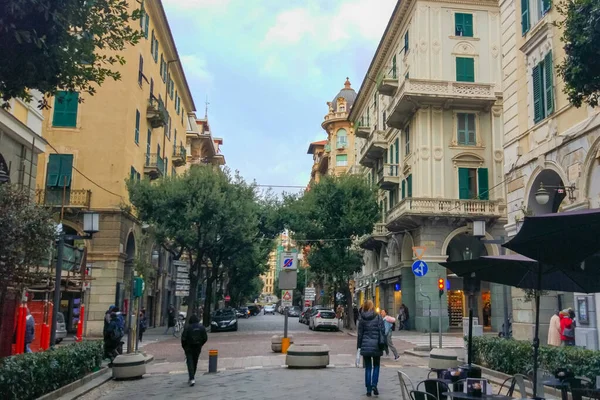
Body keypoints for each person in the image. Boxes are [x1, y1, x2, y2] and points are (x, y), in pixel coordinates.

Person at [357, 300, 385, 397]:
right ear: (372, 306)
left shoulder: (362, 318)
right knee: (376, 366)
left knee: (368, 367)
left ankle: (368, 390)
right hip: (376, 345)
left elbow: (360, 334)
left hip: (365, 346)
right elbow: (382, 331)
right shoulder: (378, 317)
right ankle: (374, 385)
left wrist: (359, 347)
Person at [181, 314, 208, 387]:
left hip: (189, 347)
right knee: (195, 361)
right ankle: (192, 377)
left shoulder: (187, 328)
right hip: (197, 347)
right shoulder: (201, 327)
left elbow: (183, 339)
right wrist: (200, 344)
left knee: (190, 362)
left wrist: (185, 347)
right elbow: (205, 338)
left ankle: (191, 378)